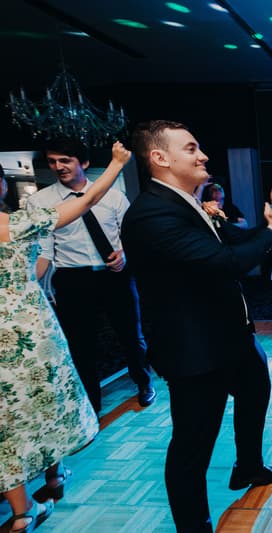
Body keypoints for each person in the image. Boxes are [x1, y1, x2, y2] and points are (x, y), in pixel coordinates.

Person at [121, 120, 272, 533]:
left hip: (230, 336)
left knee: (256, 388)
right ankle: (194, 526)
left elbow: (238, 241)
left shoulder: (188, 204)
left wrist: (269, 221)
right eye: (191, 148)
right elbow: (226, 263)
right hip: (195, 350)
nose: (202, 155)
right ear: (160, 158)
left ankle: (248, 466)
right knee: (192, 446)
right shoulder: (150, 215)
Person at [1, 143, 129, 533]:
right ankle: (53, 479)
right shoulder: (18, 223)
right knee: (46, 400)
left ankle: (21, 513)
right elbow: (88, 198)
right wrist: (118, 163)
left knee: (5, 421)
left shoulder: (24, 219)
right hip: (27, 328)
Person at [26, 138, 155, 412]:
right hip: (73, 280)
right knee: (81, 345)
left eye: (65, 160)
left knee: (132, 335)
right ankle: (91, 406)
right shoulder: (40, 201)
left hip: (115, 276)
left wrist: (124, 254)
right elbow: (44, 251)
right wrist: (27, 284)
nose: (58, 167)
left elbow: (132, 234)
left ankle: (144, 383)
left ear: (83, 162)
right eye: (52, 162)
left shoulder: (112, 195)